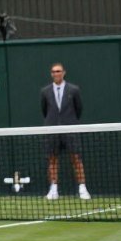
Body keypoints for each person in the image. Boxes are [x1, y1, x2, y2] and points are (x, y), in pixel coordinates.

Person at [42, 63, 90, 201]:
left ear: (64, 73)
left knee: (76, 159)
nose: (56, 73)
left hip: (70, 129)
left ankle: (82, 189)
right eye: (53, 71)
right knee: (52, 160)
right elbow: (45, 111)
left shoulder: (73, 90)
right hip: (52, 130)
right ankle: (53, 190)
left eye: (58, 71)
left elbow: (78, 109)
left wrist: (70, 124)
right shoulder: (45, 91)